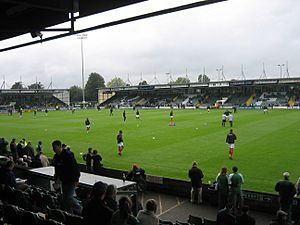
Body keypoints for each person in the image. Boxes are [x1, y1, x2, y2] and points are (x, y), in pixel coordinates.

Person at [52, 140, 82, 214]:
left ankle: (81, 210)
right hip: (64, 180)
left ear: (60, 146)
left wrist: (76, 179)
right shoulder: (56, 157)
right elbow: (57, 170)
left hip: (71, 180)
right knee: (66, 199)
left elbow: (75, 168)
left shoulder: (68, 155)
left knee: (69, 198)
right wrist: (56, 180)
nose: (54, 149)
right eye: (53, 148)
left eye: (55, 147)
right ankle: (70, 215)